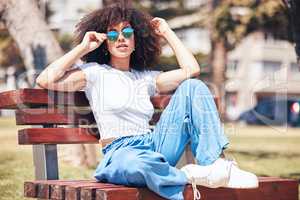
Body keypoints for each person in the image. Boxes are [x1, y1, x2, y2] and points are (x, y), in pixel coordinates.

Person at [36, 3, 258, 200]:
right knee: (135, 165)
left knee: (194, 87)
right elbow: (45, 79)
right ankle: (189, 175)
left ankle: (217, 165)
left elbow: (192, 70)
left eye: (127, 32)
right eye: (112, 35)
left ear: (136, 39)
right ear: (106, 43)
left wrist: (167, 32)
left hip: (156, 145)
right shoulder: (94, 73)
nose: (120, 38)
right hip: (122, 150)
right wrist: (83, 47)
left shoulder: (146, 77)